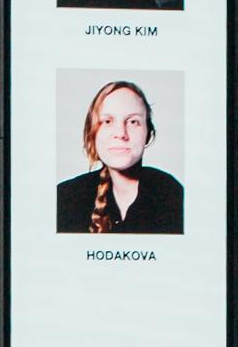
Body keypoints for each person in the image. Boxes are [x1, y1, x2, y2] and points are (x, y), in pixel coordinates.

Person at [56, 78, 184, 234]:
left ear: (148, 134)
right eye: (108, 121)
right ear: (92, 132)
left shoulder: (173, 197)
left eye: (133, 122)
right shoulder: (66, 199)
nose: (120, 133)